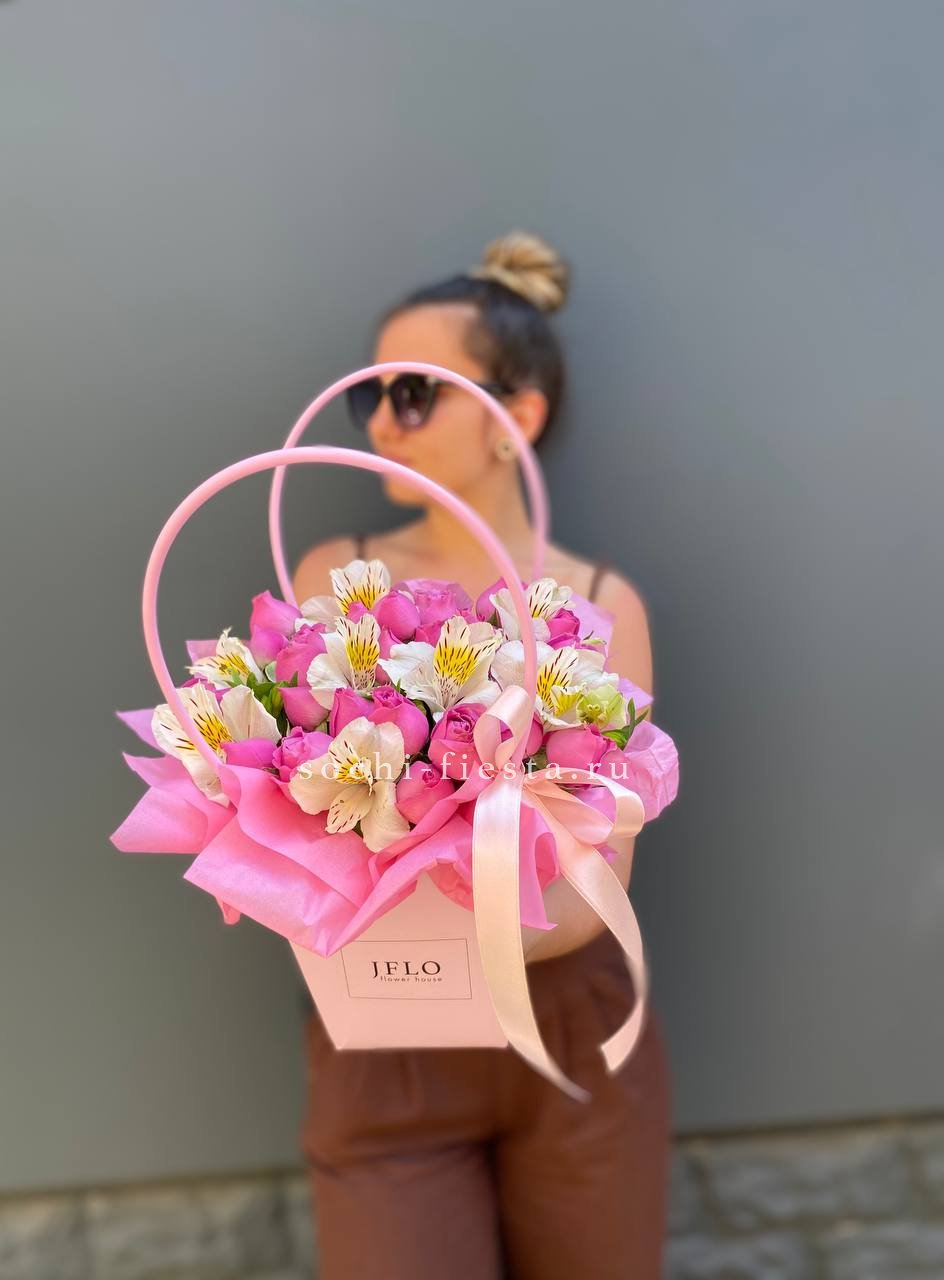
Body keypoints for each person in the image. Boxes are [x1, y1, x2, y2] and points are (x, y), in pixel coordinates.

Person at [291, 231, 671, 1279]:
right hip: (390, 1029)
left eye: (414, 394)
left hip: (571, 1026)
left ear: (518, 418)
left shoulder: (603, 605)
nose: (382, 422)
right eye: (370, 396)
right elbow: (293, 807)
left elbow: (604, 874)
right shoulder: (336, 577)